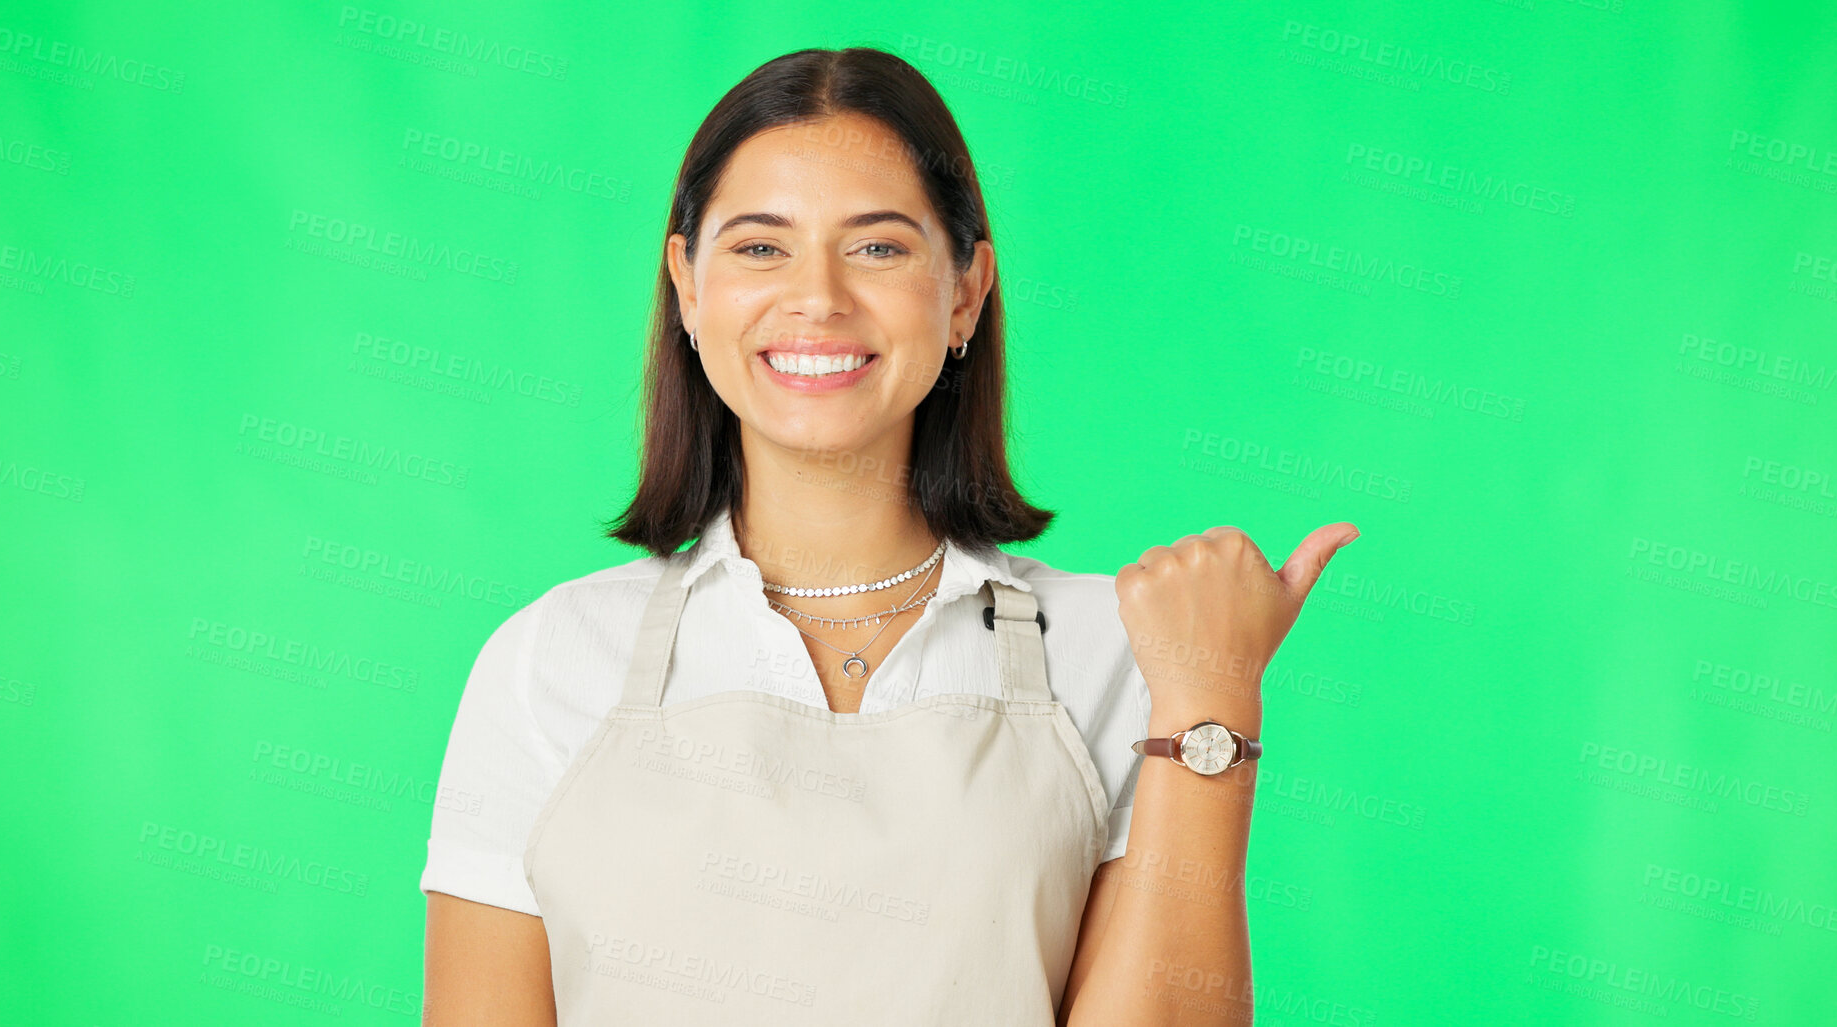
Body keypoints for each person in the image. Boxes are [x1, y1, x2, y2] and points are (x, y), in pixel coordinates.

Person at [419, 46, 1359, 1027]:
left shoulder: (1115, 653)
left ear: (963, 291)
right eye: (759, 247)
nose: (817, 297)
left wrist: (1210, 698)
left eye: (876, 247)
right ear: (688, 287)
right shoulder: (552, 661)